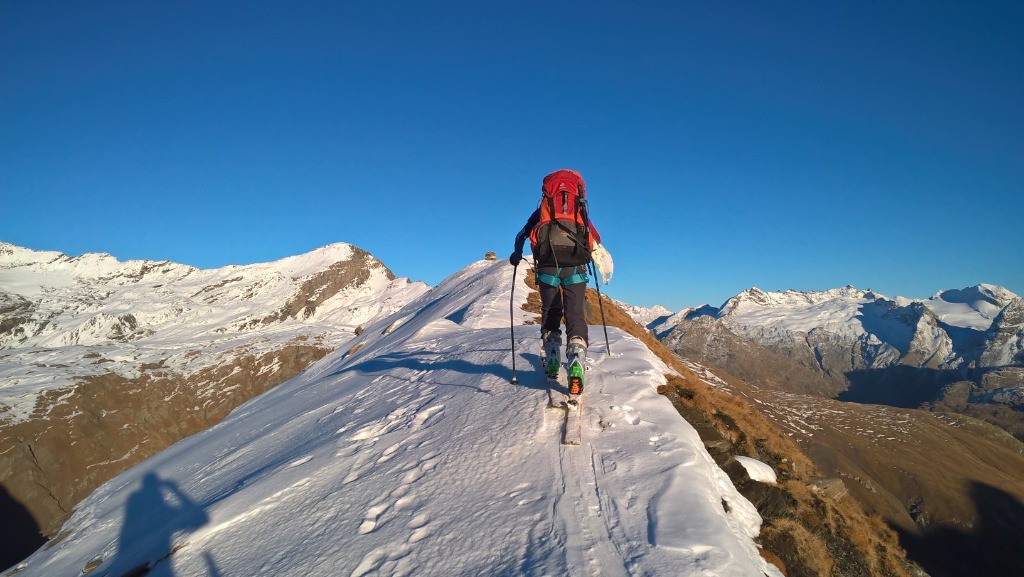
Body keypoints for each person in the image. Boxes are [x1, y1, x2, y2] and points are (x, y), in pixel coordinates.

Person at [509, 169, 601, 395]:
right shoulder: (580, 211)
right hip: (575, 267)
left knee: (550, 310)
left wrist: (516, 254)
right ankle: (577, 358)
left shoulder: (542, 212)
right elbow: (595, 238)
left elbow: (521, 234)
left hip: (548, 265)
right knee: (575, 312)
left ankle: (551, 354)